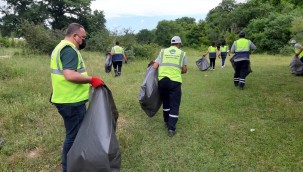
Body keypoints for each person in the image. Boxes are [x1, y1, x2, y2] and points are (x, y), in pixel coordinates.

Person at [50, 23, 104, 172]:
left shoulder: (59, 47)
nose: (83, 40)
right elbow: (69, 75)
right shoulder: (69, 50)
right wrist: (91, 79)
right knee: (74, 137)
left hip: (65, 99)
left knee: (74, 134)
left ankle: (74, 164)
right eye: (83, 37)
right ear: (75, 36)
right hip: (71, 102)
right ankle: (68, 168)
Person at [153, 36, 188, 137]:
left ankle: (166, 121)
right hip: (175, 82)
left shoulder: (163, 51)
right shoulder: (182, 53)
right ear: (179, 44)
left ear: (171, 43)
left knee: (166, 102)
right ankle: (171, 128)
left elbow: (155, 66)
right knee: (174, 104)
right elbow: (184, 70)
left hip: (162, 81)